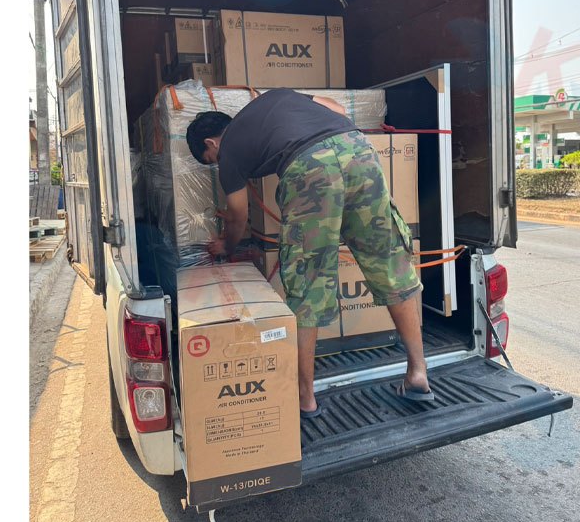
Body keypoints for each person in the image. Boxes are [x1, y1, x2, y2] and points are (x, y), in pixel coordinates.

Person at [185, 89, 431, 418]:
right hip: (358, 150)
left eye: (211, 160)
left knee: (308, 284)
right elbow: (337, 109)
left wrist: (226, 246)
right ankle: (418, 373)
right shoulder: (278, 97)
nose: (218, 164)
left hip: (311, 167)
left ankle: (306, 399)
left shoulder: (228, 149)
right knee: (390, 264)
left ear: (211, 143)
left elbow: (238, 215)